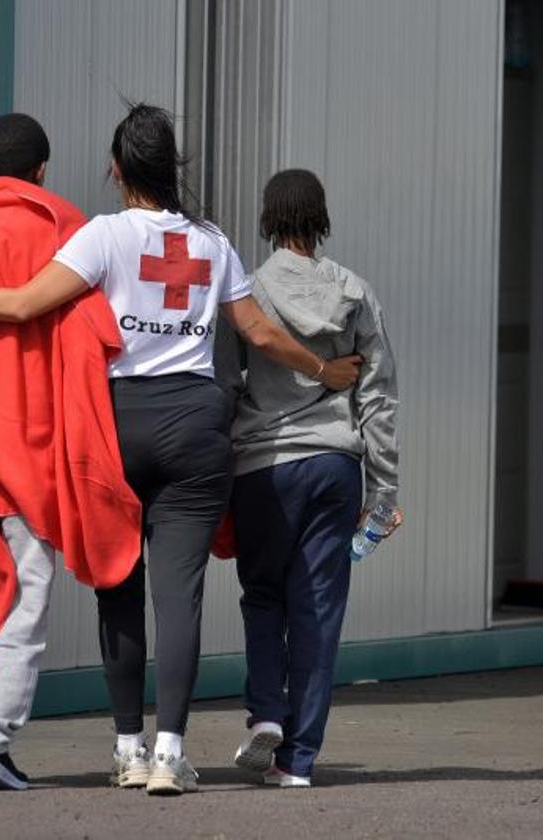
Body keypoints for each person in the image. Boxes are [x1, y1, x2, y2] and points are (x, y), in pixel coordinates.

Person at [0, 105, 361, 796]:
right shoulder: (212, 242)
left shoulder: (102, 236)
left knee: (117, 585)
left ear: (117, 171)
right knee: (177, 596)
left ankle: (127, 746)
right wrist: (325, 371)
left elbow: (26, 304)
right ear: (170, 166)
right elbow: (261, 336)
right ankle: (169, 754)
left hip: (115, 427)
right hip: (195, 426)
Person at [0, 114, 141, 791]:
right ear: (41, 172)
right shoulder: (66, 225)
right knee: (27, 587)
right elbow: (94, 331)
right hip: (30, 437)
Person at [220, 169, 401, 788]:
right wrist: (384, 490)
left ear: (268, 219)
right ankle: (297, 761)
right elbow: (378, 398)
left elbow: (226, 382)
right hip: (333, 466)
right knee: (318, 609)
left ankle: (267, 712)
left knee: (264, 595)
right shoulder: (354, 291)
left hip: (264, 469)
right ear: (321, 218)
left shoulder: (246, 292)